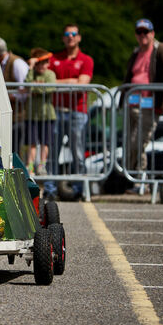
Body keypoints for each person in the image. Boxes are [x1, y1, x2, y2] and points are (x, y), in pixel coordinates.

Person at [122, 18, 163, 193]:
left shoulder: (160, 48)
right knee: (130, 144)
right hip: (132, 103)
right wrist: (122, 99)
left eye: (146, 32)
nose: (143, 35)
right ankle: (137, 182)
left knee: (138, 143)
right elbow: (129, 76)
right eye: (139, 32)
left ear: (152, 34)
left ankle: (141, 181)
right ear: (136, 35)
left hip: (150, 105)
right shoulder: (136, 52)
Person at [46, 23, 94, 200]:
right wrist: (71, 82)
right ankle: (50, 190)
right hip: (56, 111)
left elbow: (82, 84)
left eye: (74, 34)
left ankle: (78, 190)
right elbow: (48, 82)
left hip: (78, 112)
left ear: (79, 37)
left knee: (78, 153)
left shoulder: (86, 60)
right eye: (67, 34)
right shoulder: (54, 58)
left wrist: (60, 83)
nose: (70, 37)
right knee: (53, 153)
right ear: (63, 38)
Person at [0, 36, 29, 151]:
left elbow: (25, 92)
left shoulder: (17, 63)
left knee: (13, 150)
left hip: (17, 117)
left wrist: (3, 96)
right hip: (1, 118)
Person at [25, 48, 57, 176]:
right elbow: (27, 85)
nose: (42, 66)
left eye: (45, 62)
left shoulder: (50, 74)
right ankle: (30, 166)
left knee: (45, 143)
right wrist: (31, 68)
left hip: (47, 115)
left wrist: (34, 89)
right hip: (32, 115)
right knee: (32, 143)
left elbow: (50, 88)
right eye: (39, 63)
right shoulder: (31, 73)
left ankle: (42, 166)